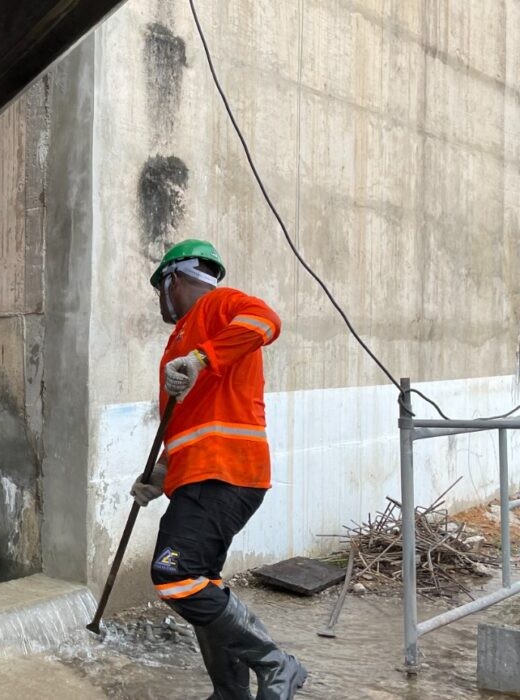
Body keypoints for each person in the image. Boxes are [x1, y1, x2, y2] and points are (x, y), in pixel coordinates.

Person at [131, 239, 307, 699]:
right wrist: (159, 473)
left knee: (174, 573)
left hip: (224, 475)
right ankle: (231, 694)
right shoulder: (181, 338)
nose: (159, 301)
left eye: (159, 289)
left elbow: (266, 321)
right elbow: (190, 423)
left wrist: (201, 358)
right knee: (202, 584)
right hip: (201, 478)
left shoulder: (217, 305)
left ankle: (277, 665)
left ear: (175, 278)